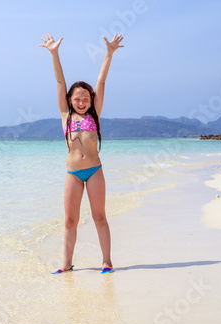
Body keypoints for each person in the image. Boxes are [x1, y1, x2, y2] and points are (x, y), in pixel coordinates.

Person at [39, 33, 124, 274]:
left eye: (86, 98)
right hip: (73, 174)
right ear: (70, 100)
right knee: (69, 220)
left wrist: (109, 53)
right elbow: (59, 82)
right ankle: (66, 265)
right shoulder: (66, 115)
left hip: (95, 171)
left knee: (99, 216)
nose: (82, 102)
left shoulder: (94, 113)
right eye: (77, 98)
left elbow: (102, 82)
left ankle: (106, 262)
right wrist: (54, 53)